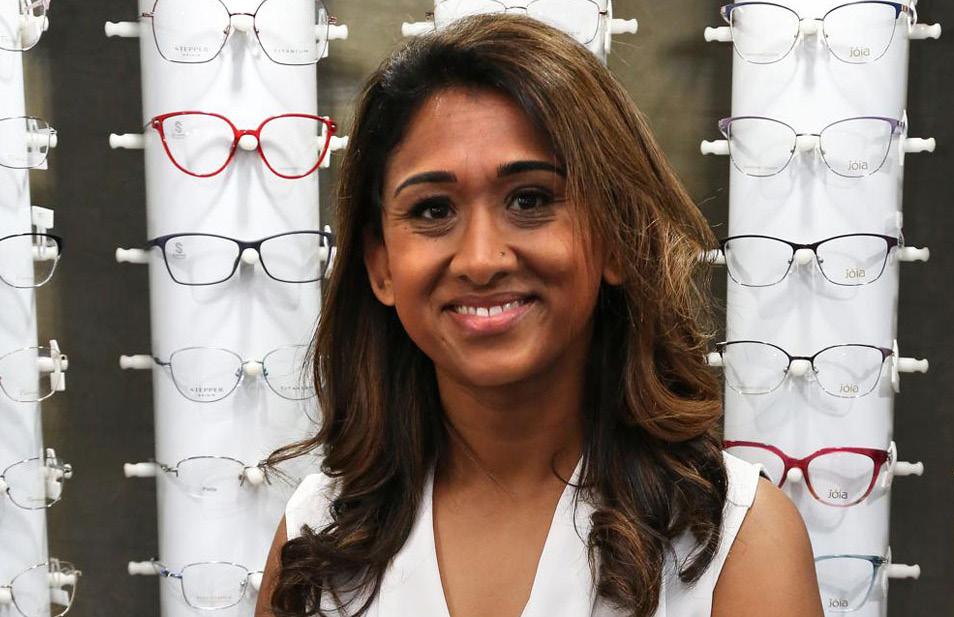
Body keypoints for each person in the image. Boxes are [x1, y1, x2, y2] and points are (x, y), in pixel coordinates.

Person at [255, 13, 821, 617]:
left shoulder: (738, 542)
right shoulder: (316, 539)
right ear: (381, 265)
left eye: (530, 199)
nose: (480, 260)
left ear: (617, 236)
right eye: (433, 210)